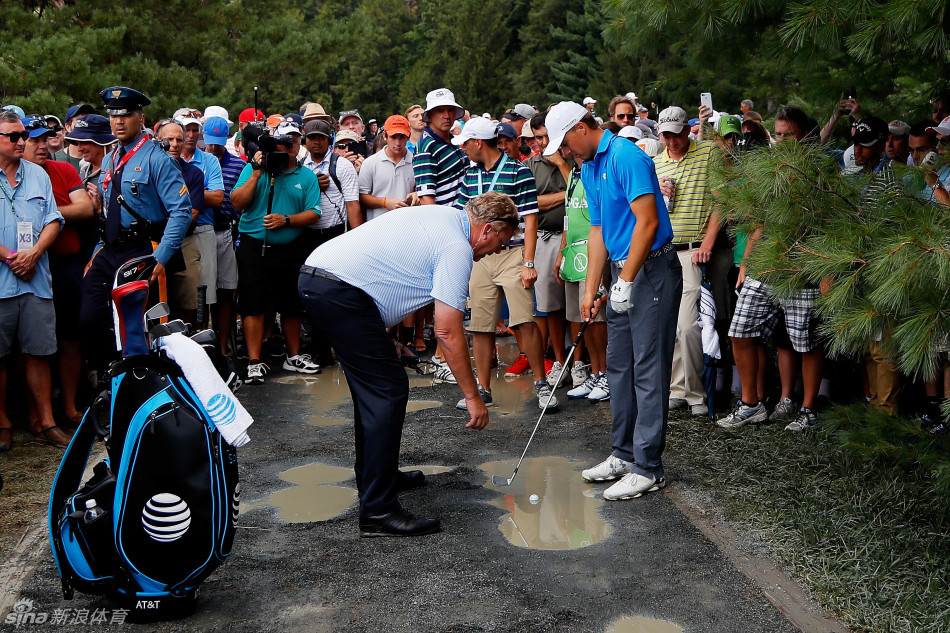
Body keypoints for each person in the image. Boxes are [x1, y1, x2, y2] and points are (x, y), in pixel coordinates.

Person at [298, 191, 518, 536]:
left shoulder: (442, 217)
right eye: (500, 242)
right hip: (338, 289)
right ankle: (377, 511)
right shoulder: (458, 246)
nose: (494, 251)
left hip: (324, 279)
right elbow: (447, 331)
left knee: (378, 389)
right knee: (386, 391)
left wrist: (386, 340)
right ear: (488, 229)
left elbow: (388, 270)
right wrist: (474, 396)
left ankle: (380, 478)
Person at [545, 101, 680, 501]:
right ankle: (623, 453)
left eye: (565, 142)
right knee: (619, 366)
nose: (565, 152)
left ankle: (648, 467)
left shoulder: (626, 155)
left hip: (652, 270)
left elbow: (649, 221)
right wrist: (591, 288)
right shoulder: (588, 165)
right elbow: (600, 228)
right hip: (623, 273)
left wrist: (625, 279)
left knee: (648, 370)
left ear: (581, 128)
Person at [79, 86, 192, 374]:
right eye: (113, 115)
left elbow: (180, 211)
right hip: (110, 248)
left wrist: (161, 257)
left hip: (142, 249)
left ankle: (141, 384)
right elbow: (107, 212)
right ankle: (113, 378)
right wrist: (97, 250)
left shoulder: (157, 158)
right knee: (90, 318)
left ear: (140, 117)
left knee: (135, 327)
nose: (118, 121)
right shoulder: (109, 158)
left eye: (126, 115)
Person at [453, 117, 554, 410]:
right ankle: (483, 388)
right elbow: (463, 220)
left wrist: (529, 262)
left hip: (513, 253)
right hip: (479, 256)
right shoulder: (469, 174)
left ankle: (541, 383)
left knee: (524, 320)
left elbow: (531, 220)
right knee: (481, 326)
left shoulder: (518, 171)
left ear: (478, 143)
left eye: (466, 144)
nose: (465, 150)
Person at [231, 129, 322, 384]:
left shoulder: (305, 176)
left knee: (292, 304)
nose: (289, 146)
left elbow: (314, 212)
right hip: (254, 246)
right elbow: (237, 202)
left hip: (290, 248)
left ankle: (293, 355)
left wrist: (287, 220)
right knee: (253, 304)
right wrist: (257, 172)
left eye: (293, 141)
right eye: (283, 142)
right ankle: (254, 360)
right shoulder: (254, 169)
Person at [0, 111, 68, 449]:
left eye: (22, 135)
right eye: (12, 136)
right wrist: (11, 257)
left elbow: (54, 220)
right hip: (2, 282)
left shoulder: (38, 175)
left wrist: (34, 253)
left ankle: (45, 422)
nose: (21, 141)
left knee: (39, 353)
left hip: (35, 279)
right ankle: (2, 423)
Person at [22, 118, 94, 429]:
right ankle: (35, 413)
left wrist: (46, 212)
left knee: (70, 338)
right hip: (26, 267)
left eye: (47, 139)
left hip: (65, 266)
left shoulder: (63, 169)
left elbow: (84, 208)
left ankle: (69, 405)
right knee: (30, 343)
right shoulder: (11, 177)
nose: (43, 145)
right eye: (34, 140)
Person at [654, 106, 722, 417]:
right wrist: (659, 192)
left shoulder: (708, 152)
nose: (672, 140)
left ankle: (695, 394)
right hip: (664, 251)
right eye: (666, 134)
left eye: (677, 133)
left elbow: (721, 200)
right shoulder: (655, 163)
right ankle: (678, 389)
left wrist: (707, 243)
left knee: (687, 327)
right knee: (670, 325)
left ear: (687, 129)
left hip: (693, 251)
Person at [413, 88, 469, 383]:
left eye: (450, 110)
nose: (447, 116)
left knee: (452, 295)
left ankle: (443, 357)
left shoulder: (450, 142)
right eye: (440, 111)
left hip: (459, 224)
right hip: (446, 230)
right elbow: (426, 196)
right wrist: (442, 235)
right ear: (429, 116)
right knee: (447, 296)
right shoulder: (426, 147)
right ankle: (439, 358)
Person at [524, 112, 578, 389]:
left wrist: (560, 163)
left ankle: (579, 362)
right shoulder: (531, 164)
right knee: (551, 306)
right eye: (538, 138)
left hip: (577, 237)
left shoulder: (571, 156)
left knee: (576, 303)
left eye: (546, 136)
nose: (543, 142)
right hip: (546, 237)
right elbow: (532, 203)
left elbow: (583, 194)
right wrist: (565, 195)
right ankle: (560, 361)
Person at [154, 119, 208, 328]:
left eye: (179, 139)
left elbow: (191, 213)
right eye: (169, 139)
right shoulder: (149, 168)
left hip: (184, 240)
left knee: (189, 299)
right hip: (151, 241)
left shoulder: (193, 173)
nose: (175, 144)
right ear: (158, 140)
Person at [202, 116, 245, 355]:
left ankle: (224, 343)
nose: (214, 147)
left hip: (229, 229)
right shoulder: (198, 161)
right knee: (206, 293)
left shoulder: (238, 165)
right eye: (210, 142)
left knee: (227, 291)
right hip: (204, 228)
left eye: (218, 142)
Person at [358, 115, 416, 222]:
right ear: (385, 136)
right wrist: (385, 202)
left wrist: (416, 195)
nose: (398, 143)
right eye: (393, 137)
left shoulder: (415, 162)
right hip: (378, 226)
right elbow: (362, 197)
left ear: (408, 136)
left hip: (407, 223)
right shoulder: (370, 163)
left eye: (402, 137)